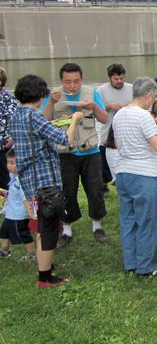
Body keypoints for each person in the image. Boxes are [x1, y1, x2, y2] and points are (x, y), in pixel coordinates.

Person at [9, 74, 83, 287]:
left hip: (29, 181)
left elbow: (34, 136)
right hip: (45, 182)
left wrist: (52, 124)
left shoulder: (16, 116)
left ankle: (45, 265)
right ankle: (45, 278)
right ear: (39, 94)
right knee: (48, 228)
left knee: (42, 224)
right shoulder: (34, 116)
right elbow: (65, 140)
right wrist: (75, 120)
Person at [112, 77, 157, 277]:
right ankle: (148, 266)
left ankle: (131, 262)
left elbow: (120, 143)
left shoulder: (120, 114)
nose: (153, 102)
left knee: (129, 219)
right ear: (149, 95)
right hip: (144, 175)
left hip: (124, 172)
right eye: (153, 98)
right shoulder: (143, 116)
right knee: (148, 220)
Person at [42, 63, 110, 247]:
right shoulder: (54, 95)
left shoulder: (92, 93)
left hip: (91, 151)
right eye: (68, 82)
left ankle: (97, 226)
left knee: (95, 189)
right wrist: (50, 102)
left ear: (82, 80)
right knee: (67, 191)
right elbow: (43, 120)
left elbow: (104, 119)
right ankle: (67, 229)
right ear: (61, 80)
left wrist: (94, 106)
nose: (72, 86)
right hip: (65, 152)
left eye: (76, 81)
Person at [97, 63, 133, 191]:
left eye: (121, 78)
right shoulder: (100, 91)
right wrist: (109, 106)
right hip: (107, 131)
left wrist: (125, 107)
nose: (119, 81)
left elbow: (138, 106)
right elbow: (96, 109)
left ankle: (124, 183)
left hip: (126, 131)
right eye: (116, 79)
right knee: (103, 163)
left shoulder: (131, 88)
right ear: (109, 78)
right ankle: (104, 186)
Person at [0, 149, 36, 261]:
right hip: (10, 213)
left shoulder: (22, 180)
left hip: (18, 215)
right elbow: (14, 193)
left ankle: (32, 254)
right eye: (8, 162)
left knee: (23, 234)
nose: (9, 166)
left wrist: (30, 212)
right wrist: (6, 193)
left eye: (12, 163)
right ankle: (4, 251)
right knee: (4, 232)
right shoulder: (13, 176)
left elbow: (26, 198)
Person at [0, 68, 19, 190]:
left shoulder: (8, 99)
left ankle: (9, 206)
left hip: (3, 148)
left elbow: (18, 121)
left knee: (6, 182)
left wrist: (13, 137)